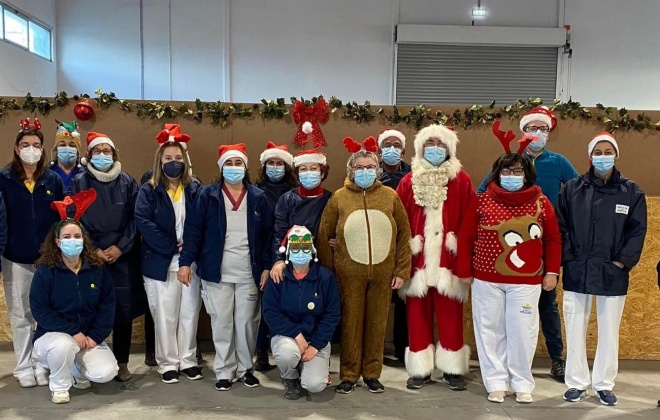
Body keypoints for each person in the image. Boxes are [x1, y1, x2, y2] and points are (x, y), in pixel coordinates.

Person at [457, 135, 561, 404]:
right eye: (506, 170)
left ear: (527, 174)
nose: (512, 175)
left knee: (522, 331)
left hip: (525, 282)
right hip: (485, 279)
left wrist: (551, 271)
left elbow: (552, 239)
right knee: (489, 330)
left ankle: (522, 382)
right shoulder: (481, 200)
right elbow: (466, 236)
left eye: (518, 170)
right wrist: (464, 269)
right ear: (497, 173)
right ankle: (496, 382)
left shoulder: (541, 202)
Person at [476, 107, 578, 380]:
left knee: (548, 302)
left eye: (542, 129)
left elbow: (578, 193)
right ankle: (505, 367)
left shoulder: (558, 162)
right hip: (509, 246)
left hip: (545, 242)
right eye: (532, 128)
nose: (537, 133)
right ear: (524, 132)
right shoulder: (511, 162)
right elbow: (482, 192)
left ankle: (557, 358)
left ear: (548, 133)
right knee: (505, 313)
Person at [557, 132, 647, 406]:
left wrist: (623, 260)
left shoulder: (631, 192)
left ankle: (604, 384)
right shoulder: (572, 189)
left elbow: (637, 230)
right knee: (574, 328)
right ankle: (576, 382)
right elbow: (561, 226)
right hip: (578, 269)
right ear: (590, 156)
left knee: (609, 331)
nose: (604, 156)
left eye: (609, 151)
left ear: (616, 155)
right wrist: (569, 257)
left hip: (612, 272)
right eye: (599, 151)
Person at [317, 136, 411, 394]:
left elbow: (404, 235)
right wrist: (328, 272)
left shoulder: (390, 196)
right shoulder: (339, 198)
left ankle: (371, 373)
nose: (365, 171)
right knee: (351, 324)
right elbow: (325, 235)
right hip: (349, 276)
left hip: (383, 275)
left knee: (377, 324)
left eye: (370, 167)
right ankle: (348, 374)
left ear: (377, 170)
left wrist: (402, 271)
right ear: (351, 170)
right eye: (360, 167)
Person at [178, 143, 273, 392]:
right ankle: (224, 370)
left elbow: (267, 236)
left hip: (248, 273)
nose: (233, 168)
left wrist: (265, 267)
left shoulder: (257, 197)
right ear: (221, 168)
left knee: (247, 324)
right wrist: (185, 262)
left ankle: (245, 369)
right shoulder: (207, 196)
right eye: (228, 164)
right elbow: (193, 232)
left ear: (245, 166)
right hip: (215, 272)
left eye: (238, 163)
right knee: (221, 322)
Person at [395, 124, 473, 391]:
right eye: (431, 144)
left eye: (441, 145)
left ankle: (452, 369)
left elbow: (469, 220)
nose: (436, 149)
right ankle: (420, 369)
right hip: (417, 260)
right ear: (420, 148)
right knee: (417, 315)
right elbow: (399, 221)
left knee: (451, 315)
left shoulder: (461, 179)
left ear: (450, 149)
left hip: (448, 260)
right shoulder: (407, 181)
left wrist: (461, 256)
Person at [30, 190, 119, 404]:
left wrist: (95, 336)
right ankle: (59, 385)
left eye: (77, 236)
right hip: (53, 337)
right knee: (63, 345)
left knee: (106, 372)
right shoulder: (45, 271)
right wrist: (73, 331)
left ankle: (76, 371)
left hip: (86, 338)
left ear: (84, 241)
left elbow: (107, 307)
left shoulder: (97, 270)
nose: (73, 241)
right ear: (58, 242)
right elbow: (40, 311)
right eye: (67, 237)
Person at [135, 126, 203, 384]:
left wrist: (188, 248)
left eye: (178, 159)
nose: (173, 163)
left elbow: (200, 223)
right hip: (159, 262)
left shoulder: (196, 189)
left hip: (190, 262)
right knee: (165, 315)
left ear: (185, 161)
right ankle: (167, 363)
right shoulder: (148, 190)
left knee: (189, 313)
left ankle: (188, 360)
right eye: (168, 159)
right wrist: (172, 244)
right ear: (159, 161)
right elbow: (143, 221)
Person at [70, 131, 140, 382]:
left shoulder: (128, 182)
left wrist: (121, 247)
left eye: (106, 151)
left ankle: (122, 362)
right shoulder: (78, 182)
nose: (102, 155)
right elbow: (73, 219)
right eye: (97, 151)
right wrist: (93, 250)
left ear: (114, 154)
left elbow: (136, 219)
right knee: (89, 306)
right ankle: (86, 361)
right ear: (88, 155)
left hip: (121, 257)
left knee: (122, 310)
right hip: (91, 256)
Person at [0, 118, 64, 387]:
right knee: (21, 314)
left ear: (42, 149)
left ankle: (42, 364)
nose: (31, 149)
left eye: (36, 145)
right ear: (16, 148)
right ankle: (24, 365)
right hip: (16, 257)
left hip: (46, 259)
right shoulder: (4, 179)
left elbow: (60, 218)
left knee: (45, 312)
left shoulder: (53, 179)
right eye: (25, 144)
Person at [263, 225, 341, 400]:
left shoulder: (325, 277)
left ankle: (312, 367)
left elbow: (332, 315)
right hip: (287, 337)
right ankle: (290, 377)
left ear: (312, 249)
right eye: (296, 247)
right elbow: (270, 313)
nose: (301, 251)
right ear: (288, 250)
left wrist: (315, 345)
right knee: (286, 355)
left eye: (305, 247)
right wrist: (296, 335)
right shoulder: (278, 277)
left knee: (314, 385)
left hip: (315, 340)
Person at [254, 141, 298, 371]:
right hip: (262, 257)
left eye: (279, 163)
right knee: (265, 308)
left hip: (291, 258)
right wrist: (266, 263)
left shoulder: (295, 193)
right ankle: (261, 351)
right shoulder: (255, 191)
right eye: (270, 163)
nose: (274, 167)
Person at [269, 148, 332, 282]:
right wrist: (278, 260)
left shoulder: (332, 199)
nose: (308, 172)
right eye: (303, 169)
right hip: (293, 261)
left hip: (324, 264)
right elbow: (278, 233)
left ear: (322, 173)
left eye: (313, 168)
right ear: (298, 174)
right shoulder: (286, 200)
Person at [377, 128, 411, 362]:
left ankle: (403, 349)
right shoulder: (370, 171)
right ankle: (373, 350)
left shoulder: (414, 173)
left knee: (404, 301)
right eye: (387, 145)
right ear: (379, 149)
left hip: (405, 241)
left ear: (404, 149)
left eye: (396, 145)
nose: (392, 149)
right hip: (377, 242)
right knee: (377, 302)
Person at [48, 120, 84, 195]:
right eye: (62, 145)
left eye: (72, 145)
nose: (67, 148)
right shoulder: (46, 174)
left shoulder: (86, 174)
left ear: (77, 150)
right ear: (56, 148)